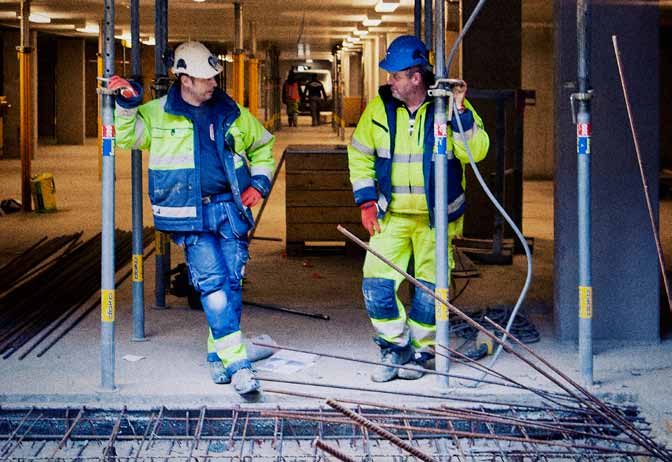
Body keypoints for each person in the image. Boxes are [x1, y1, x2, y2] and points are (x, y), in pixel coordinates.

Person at [108, 41, 275, 396]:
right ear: (184, 79)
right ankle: (239, 364)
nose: (213, 82)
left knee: (231, 285)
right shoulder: (157, 113)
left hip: (229, 210)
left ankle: (218, 354)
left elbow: (262, 144)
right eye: (205, 78)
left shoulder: (231, 111)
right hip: (190, 215)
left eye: (214, 76)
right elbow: (125, 138)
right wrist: (126, 104)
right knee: (212, 286)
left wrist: (259, 183)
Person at [347, 35, 490, 382]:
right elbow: (360, 154)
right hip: (391, 216)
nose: (389, 81)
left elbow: (478, 151)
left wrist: (460, 112)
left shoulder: (446, 108)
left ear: (415, 77)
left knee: (429, 291)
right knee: (377, 286)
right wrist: (366, 200)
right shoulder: (378, 109)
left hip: (435, 219)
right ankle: (395, 348)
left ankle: (422, 352)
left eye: (395, 75)